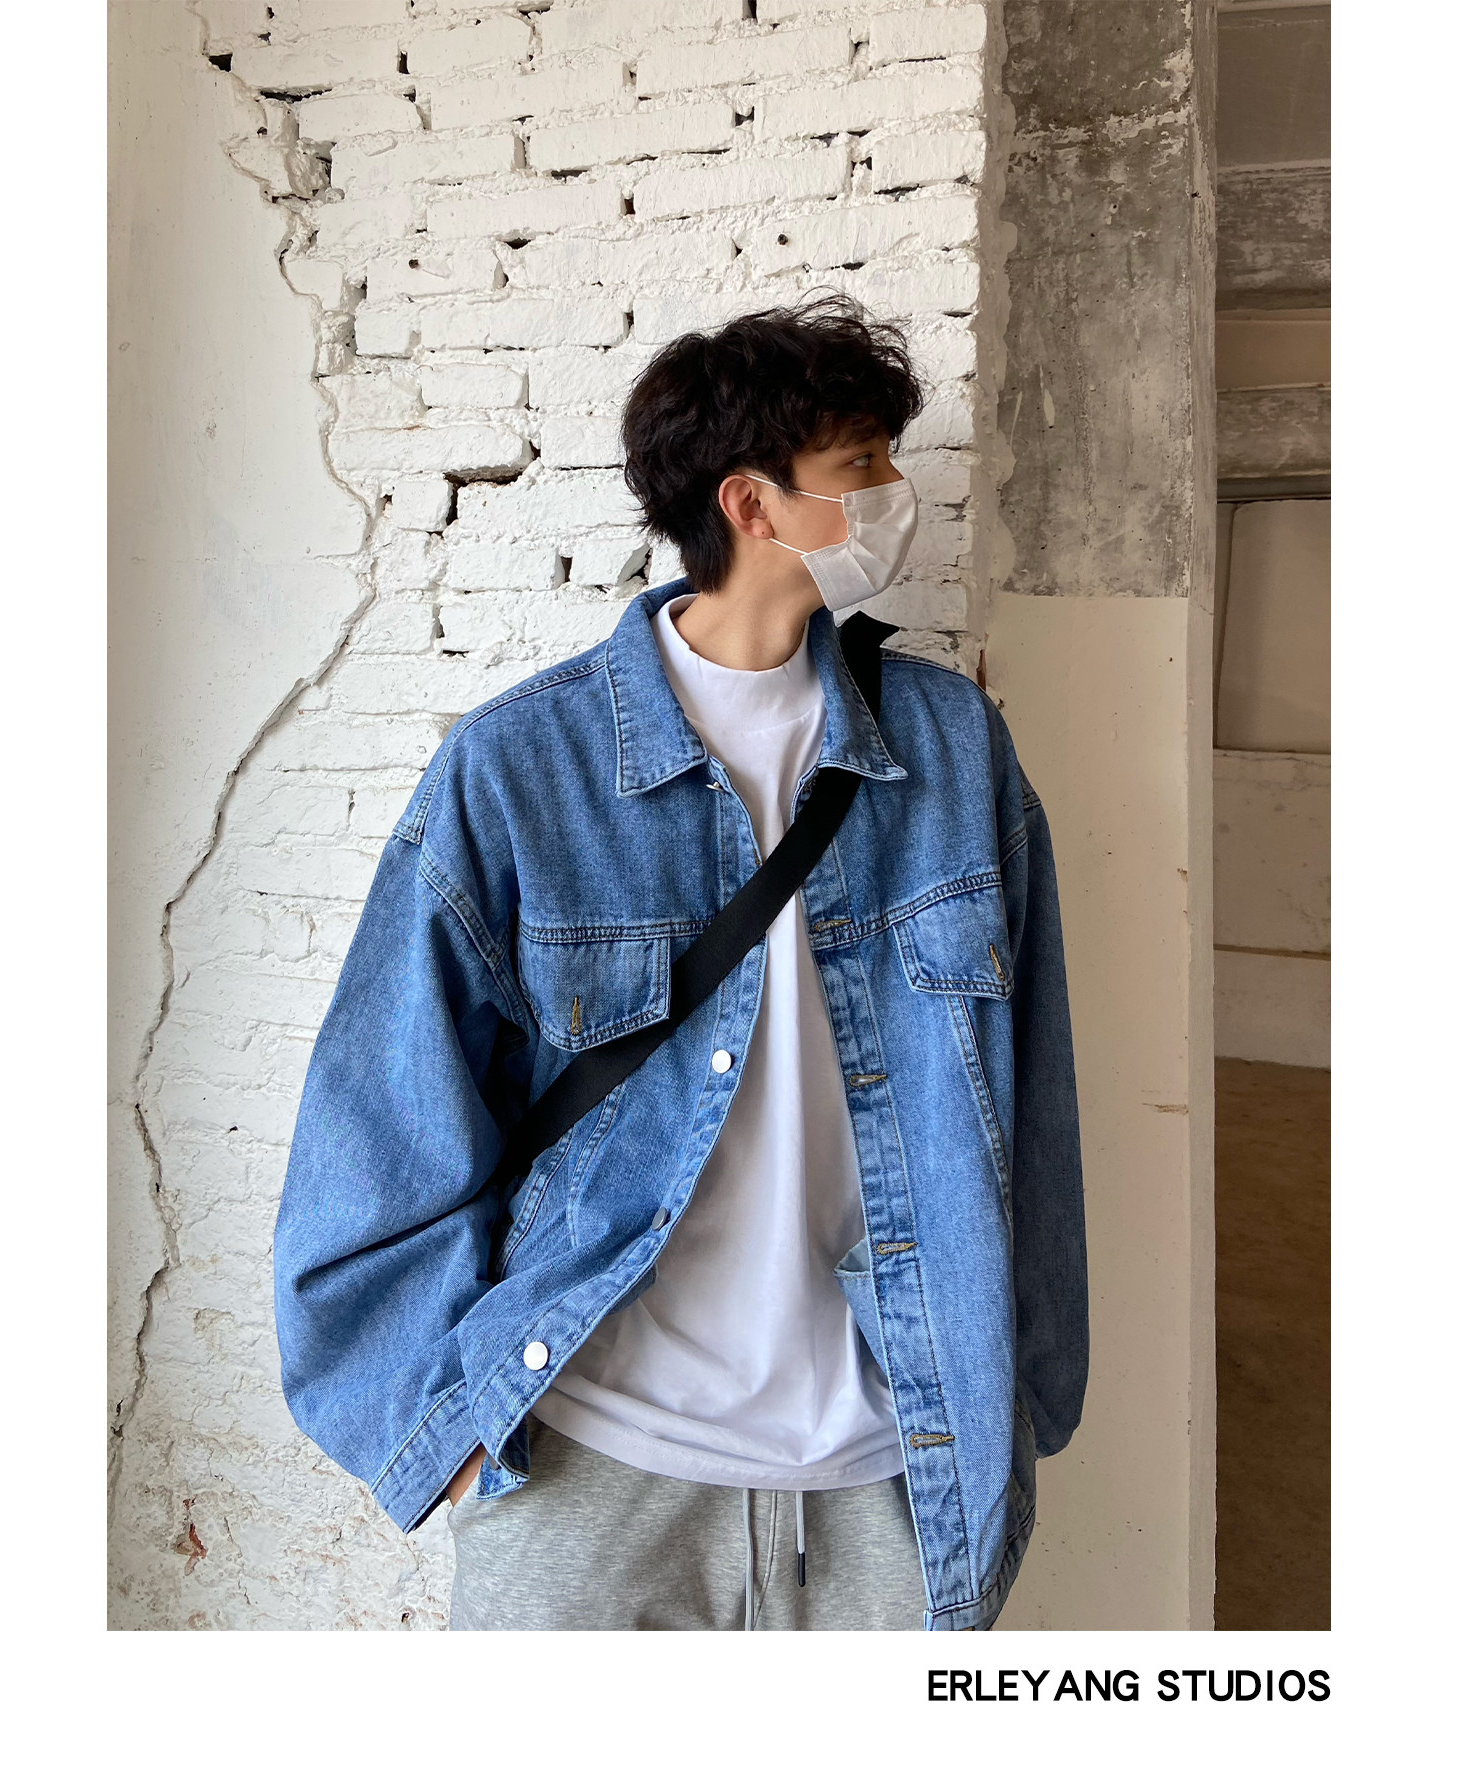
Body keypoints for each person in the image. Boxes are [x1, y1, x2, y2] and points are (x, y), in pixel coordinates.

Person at [274, 295, 1087, 1632]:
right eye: (864, 465)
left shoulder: (952, 751)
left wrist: (1024, 1388)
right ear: (753, 504)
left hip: (892, 1466)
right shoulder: (522, 769)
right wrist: (435, 1417)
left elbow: (1032, 1091)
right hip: (595, 1460)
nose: (899, 493)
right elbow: (381, 1113)